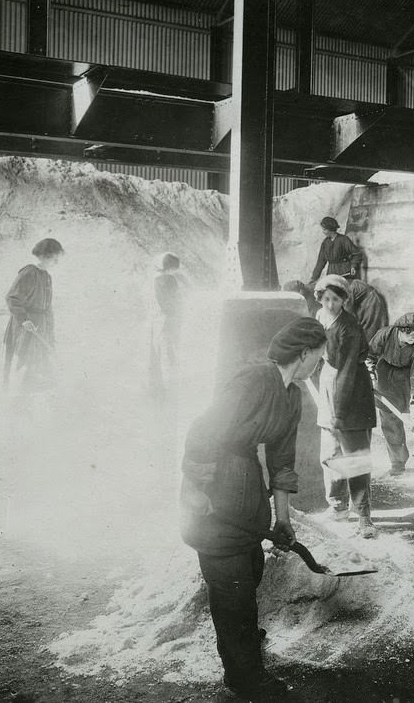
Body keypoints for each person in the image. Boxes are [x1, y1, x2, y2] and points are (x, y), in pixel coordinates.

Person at [180, 317, 327, 701]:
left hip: (245, 484)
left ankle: (242, 636)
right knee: (230, 582)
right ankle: (244, 675)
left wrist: (283, 517)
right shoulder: (254, 380)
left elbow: (281, 462)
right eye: (320, 356)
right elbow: (202, 431)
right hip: (215, 479)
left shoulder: (292, 395)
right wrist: (196, 489)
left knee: (250, 569)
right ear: (305, 353)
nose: (321, 363)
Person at [314, 274, 378, 538]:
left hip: (351, 392)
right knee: (330, 453)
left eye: (335, 299)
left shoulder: (349, 327)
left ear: (343, 301)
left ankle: (364, 517)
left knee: (355, 457)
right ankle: (338, 506)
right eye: (326, 298)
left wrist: (339, 411)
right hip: (329, 382)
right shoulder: (320, 316)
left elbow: (349, 370)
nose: (330, 304)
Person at [369, 312, 414, 475]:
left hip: (410, 380)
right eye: (410, 334)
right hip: (387, 379)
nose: (413, 337)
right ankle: (397, 462)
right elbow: (369, 355)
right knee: (390, 421)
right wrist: (370, 373)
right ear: (400, 330)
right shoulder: (384, 335)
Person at [2, 238, 64, 390]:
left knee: (42, 366)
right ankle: (18, 399)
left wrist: (50, 332)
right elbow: (12, 298)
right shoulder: (29, 272)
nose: (56, 263)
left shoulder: (47, 277)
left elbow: (48, 308)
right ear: (45, 256)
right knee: (24, 364)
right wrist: (23, 319)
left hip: (40, 327)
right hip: (25, 327)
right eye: (55, 259)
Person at [149, 252, 185, 394]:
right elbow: (174, 301)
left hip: (157, 321)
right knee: (169, 354)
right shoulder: (169, 280)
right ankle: (171, 388)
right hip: (168, 320)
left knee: (158, 353)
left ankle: (160, 389)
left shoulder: (153, 279)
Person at [309, 216, 363, 283]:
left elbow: (357, 254)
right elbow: (320, 262)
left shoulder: (343, 239)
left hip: (344, 272)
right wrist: (314, 278)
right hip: (331, 273)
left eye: (324, 229)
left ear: (330, 229)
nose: (323, 232)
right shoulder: (325, 243)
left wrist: (353, 266)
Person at [343, 276, 389, 344]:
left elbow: (347, 314)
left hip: (372, 303)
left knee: (370, 334)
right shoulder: (345, 285)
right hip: (367, 303)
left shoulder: (346, 288)